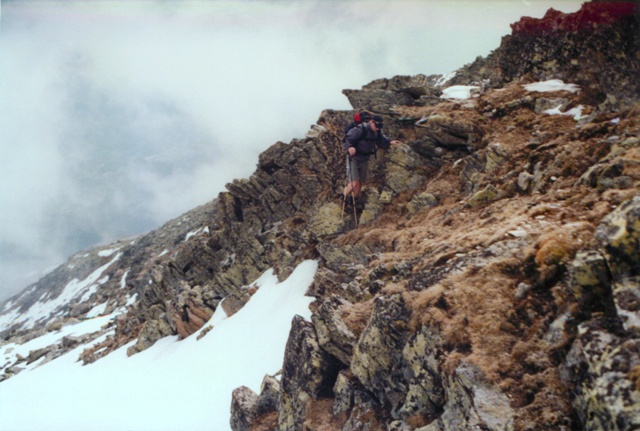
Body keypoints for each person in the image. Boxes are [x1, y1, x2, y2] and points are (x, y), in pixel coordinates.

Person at [342, 114, 402, 202]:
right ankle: (343, 198)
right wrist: (350, 147)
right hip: (353, 158)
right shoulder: (360, 129)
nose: (377, 128)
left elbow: (382, 139)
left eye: (379, 127)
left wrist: (390, 141)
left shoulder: (377, 132)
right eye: (376, 126)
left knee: (360, 182)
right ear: (371, 122)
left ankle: (354, 200)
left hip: (365, 158)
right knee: (353, 182)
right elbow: (346, 139)